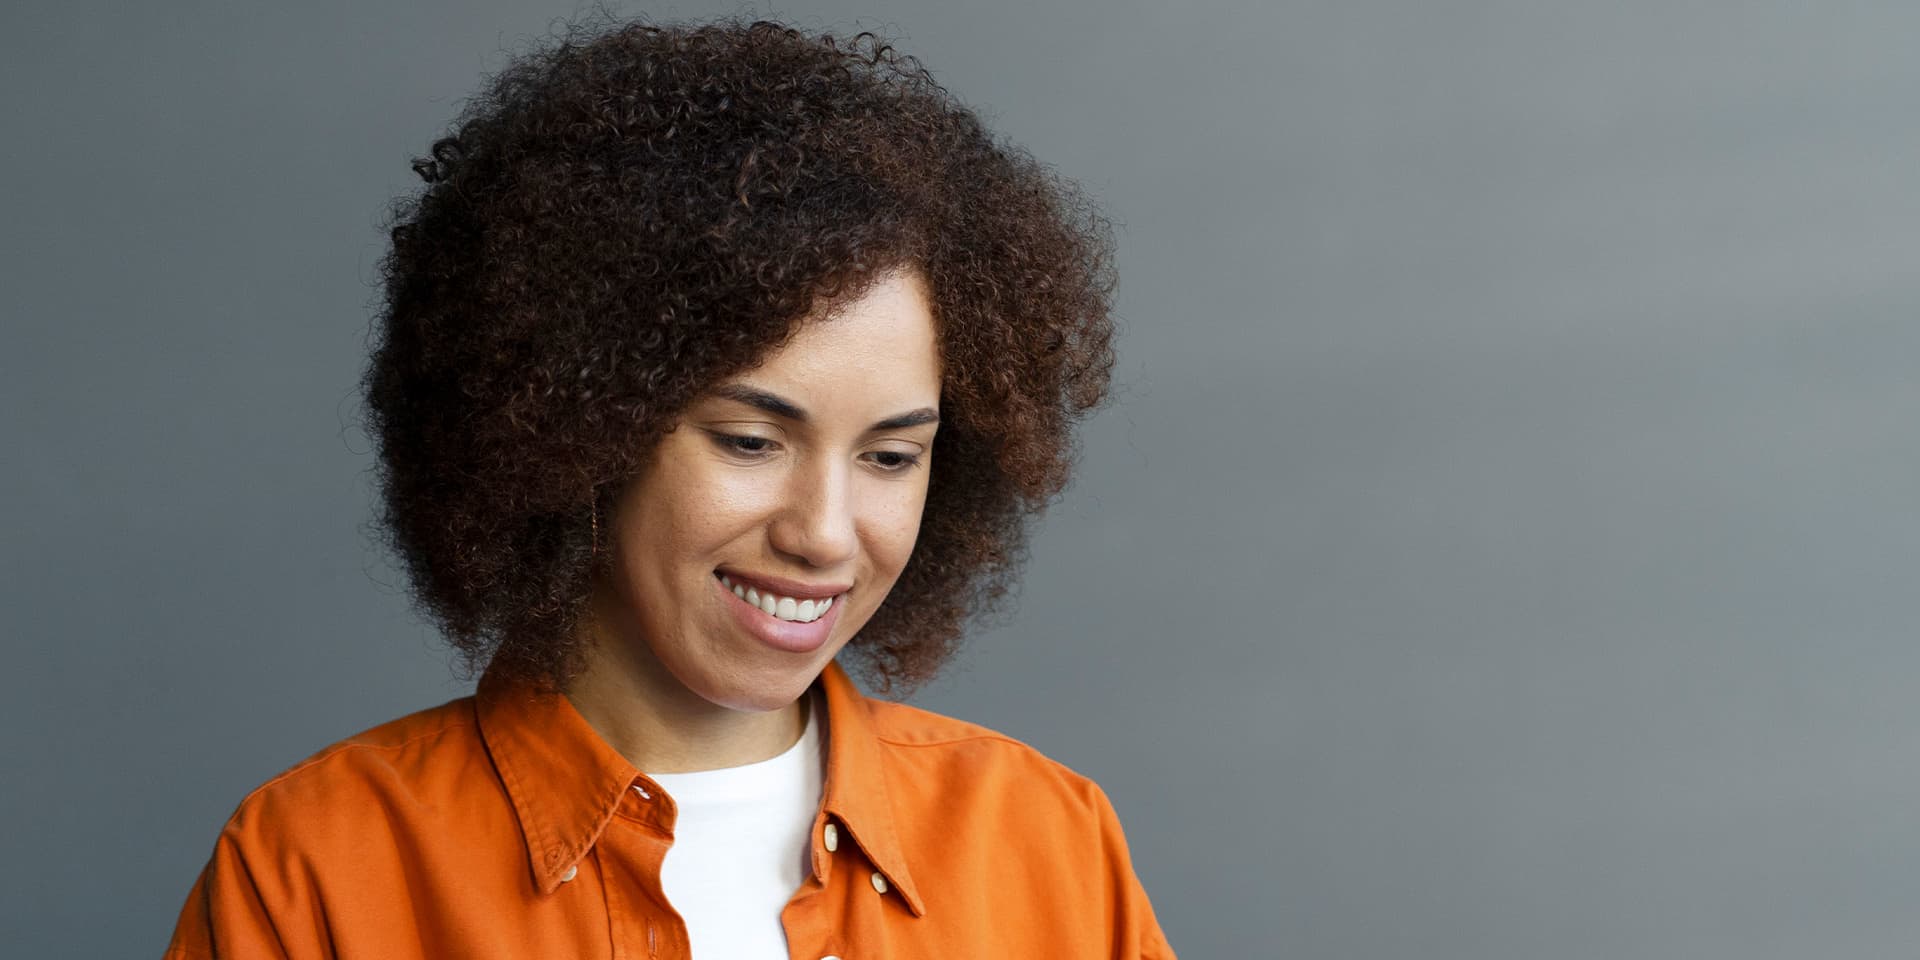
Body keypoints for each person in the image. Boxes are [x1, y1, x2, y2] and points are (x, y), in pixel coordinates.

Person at [165, 15, 1174, 960]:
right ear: (576, 426)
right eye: (749, 441)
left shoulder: (1050, 841)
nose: (825, 535)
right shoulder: (314, 871)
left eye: (889, 456)